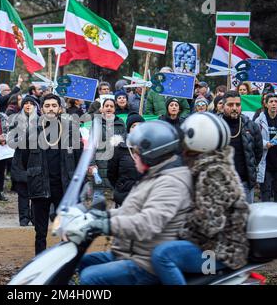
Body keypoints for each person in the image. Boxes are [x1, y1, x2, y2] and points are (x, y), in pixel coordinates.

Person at [66, 120, 192, 285]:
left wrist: (106, 225)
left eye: (136, 152)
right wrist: (101, 216)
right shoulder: (154, 175)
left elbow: (147, 223)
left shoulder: (170, 182)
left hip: (146, 262)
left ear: (152, 154)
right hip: (129, 252)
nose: (133, 157)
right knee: (81, 262)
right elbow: (130, 210)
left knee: (91, 277)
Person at [151, 112, 250, 285]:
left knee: (162, 255)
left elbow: (210, 223)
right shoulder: (205, 167)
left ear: (198, 139)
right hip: (211, 245)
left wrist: (178, 231)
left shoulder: (213, 172)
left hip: (217, 253)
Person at [21, 94, 82, 254]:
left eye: (54, 105)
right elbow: (24, 159)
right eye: (47, 105)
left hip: (64, 187)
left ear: (60, 108)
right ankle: (39, 264)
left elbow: (79, 158)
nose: (50, 109)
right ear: (41, 109)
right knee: (40, 232)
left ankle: (64, 264)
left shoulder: (71, 129)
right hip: (40, 187)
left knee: (66, 230)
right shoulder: (32, 131)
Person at [221, 91, 263, 203]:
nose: (234, 108)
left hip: (244, 182)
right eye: (230, 105)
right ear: (223, 106)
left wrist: (251, 167)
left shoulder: (251, 126)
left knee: (246, 218)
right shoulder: (215, 126)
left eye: (237, 105)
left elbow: (258, 153)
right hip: (221, 184)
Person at [8, 95, 39, 226]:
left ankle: (35, 217)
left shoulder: (42, 121)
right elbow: (11, 141)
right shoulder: (16, 120)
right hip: (20, 161)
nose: (28, 105)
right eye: (25, 103)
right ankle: (24, 218)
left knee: (36, 193)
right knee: (23, 193)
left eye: (30, 103)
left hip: (36, 161)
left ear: (35, 106)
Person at [89, 98, 126, 192]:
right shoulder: (96, 123)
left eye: (111, 106)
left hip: (116, 162)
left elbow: (124, 143)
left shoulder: (120, 123)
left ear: (114, 109)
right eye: (106, 106)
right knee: (100, 194)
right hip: (100, 162)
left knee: (115, 193)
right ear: (102, 108)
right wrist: (92, 163)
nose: (109, 108)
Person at [107, 112, 144, 206]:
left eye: (140, 125)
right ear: (128, 130)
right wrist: (121, 186)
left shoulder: (149, 147)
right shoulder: (119, 148)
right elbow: (111, 173)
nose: (137, 128)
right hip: (124, 197)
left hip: (143, 197)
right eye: (133, 126)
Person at [255, 93, 277, 202]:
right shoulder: (259, 120)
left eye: (276, 102)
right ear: (266, 104)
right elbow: (255, 138)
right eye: (271, 102)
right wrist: (265, 144)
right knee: (265, 192)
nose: (273, 104)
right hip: (265, 162)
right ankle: (265, 217)